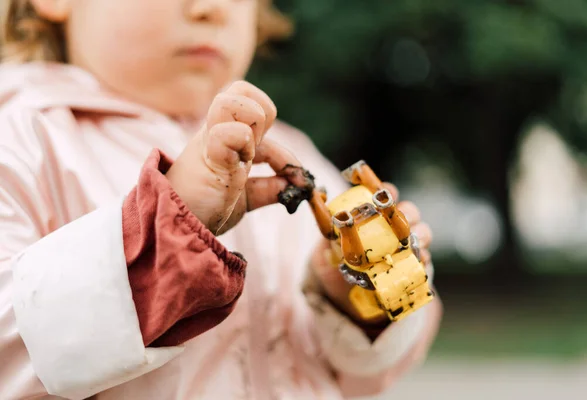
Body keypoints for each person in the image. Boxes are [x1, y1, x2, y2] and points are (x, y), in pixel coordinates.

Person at [0, 0, 442, 398]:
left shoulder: (291, 155)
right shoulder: (20, 144)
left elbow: (371, 376)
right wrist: (167, 233)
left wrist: (359, 304)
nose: (212, 8)